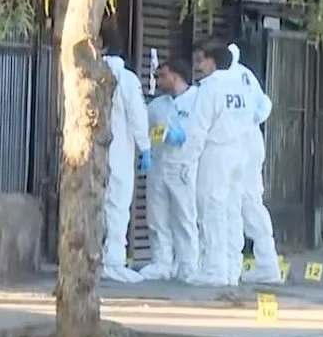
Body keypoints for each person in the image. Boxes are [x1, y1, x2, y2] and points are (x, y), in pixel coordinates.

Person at [181, 40, 249, 286]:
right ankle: (232, 269)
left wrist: (188, 161)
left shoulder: (210, 87)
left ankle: (214, 270)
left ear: (213, 61)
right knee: (232, 210)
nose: (200, 66)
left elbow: (198, 128)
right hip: (240, 152)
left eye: (203, 60)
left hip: (216, 153)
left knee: (212, 210)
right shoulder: (241, 85)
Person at [224, 43, 282, 284]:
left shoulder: (226, 79)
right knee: (248, 203)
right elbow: (265, 105)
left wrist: (244, 125)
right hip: (251, 143)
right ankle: (264, 262)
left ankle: (246, 263)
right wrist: (251, 122)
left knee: (239, 203)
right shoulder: (246, 74)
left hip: (239, 145)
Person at [137, 57, 198, 282]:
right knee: (157, 218)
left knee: (184, 218)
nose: (158, 81)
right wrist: (146, 153)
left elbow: (201, 132)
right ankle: (161, 263)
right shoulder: (158, 106)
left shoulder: (197, 100)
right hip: (159, 167)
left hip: (183, 167)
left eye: (161, 76)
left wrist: (181, 137)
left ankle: (188, 265)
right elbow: (143, 128)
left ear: (174, 75)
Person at [100, 27, 152, 284]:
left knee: (94, 205)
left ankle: (94, 257)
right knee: (118, 207)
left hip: (89, 154)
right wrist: (145, 148)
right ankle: (113, 261)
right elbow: (138, 117)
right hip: (119, 152)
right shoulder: (127, 79)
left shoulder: (87, 75)